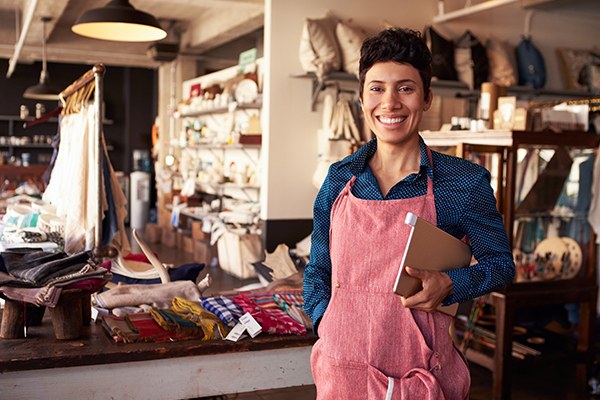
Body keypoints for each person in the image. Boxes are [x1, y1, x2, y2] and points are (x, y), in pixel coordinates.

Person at [303, 27, 515, 399]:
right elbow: (318, 269)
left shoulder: (464, 183)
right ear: (362, 97)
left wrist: (453, 284)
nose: (390, 103)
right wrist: (328, 322)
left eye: (405, 88)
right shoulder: (340, 179)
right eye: (377, 88)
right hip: (342, 374)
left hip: (420, 378)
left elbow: (501, 265)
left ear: (427, 97)